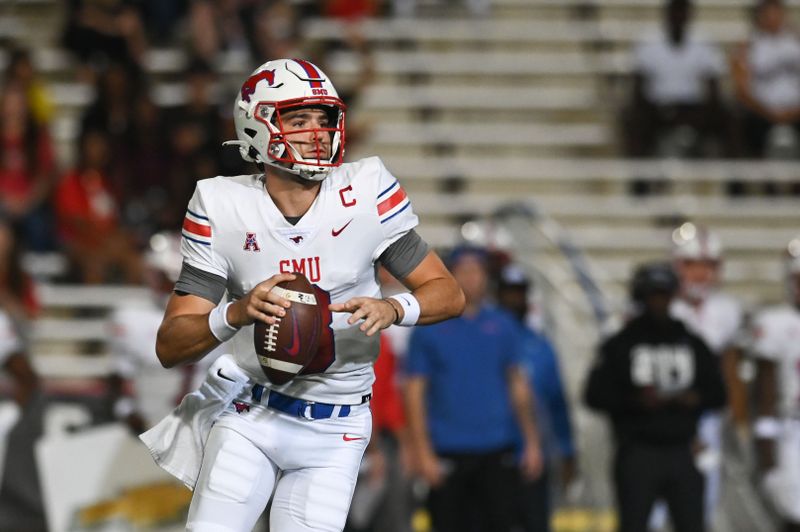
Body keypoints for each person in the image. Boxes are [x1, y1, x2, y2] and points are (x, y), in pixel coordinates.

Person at [140, 58, 464, 532]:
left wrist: (394, 307)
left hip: (337, 426)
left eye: (324, 119)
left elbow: (448, 293)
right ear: (257, 127)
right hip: (252, 411)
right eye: (298, 120)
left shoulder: (366, 190)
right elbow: (171, 344)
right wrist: (236, 312)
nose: (317, 132)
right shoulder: (222, 205)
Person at [404, 246, 542, 532]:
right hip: (448, 449)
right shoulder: (429, 326)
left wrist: (530, 440)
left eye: (477, 270)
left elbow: (518, 384)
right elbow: (414, 392)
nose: (471, 278)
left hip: (497, 447)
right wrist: (422, 450)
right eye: (463, 271)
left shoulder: (503, 325)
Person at [584, 261, 726, 532]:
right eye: (652, 295)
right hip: (638, 450)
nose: (658, 302)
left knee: (692, 523)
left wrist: (693, 399)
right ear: (641, 297)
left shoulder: (690, 341)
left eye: (663, 294)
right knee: (635, 523)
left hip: (682, 450)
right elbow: (594, 395)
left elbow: (718, 393)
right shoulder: (622, 343)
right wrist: (635, 401)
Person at [665, 223, 746, 529]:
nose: (699, 274)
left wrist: (739, 425)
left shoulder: (727, 311)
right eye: (691, 265)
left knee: (703, 506)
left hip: (708, 418)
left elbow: (730, 370)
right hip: (665, 419)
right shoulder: (664, 308)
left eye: (707, 265)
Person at [107, 232, 221, 434]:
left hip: (199, 423)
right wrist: (127, 412)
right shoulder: (131, 317)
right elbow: (121, 377)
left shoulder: (216, 316)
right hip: (148, 421)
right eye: (162, 278)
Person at [496, 263, 577, 532]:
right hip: (490, 453)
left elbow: (556, 402)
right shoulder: (483, 339)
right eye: (508, 292)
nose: (513, 299)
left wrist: (566, 450)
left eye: (519, 292)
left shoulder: (539, 346)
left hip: (532, 455)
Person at [622, 0, 730, 194]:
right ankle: (639, 183)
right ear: (666, 15)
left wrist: (695, 115)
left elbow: (714, 90)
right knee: (633, 118)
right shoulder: (648, 43)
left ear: (690, 16)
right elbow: (638, 89)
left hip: (695, 109)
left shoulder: (705, 42)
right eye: (675, 12)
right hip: (658, 109)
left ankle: (734, 185)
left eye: (683, 13)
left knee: (730, 117)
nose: (678, 18)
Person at [749, 237, 800, 531]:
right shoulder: (776, 322)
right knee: (793, 513)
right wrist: (765, 447)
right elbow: (765, 391)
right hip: (792, 427)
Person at [732, 0, 800, 160]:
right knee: (738, 121)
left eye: (776, 12)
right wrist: (770, 113)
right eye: (767, 13)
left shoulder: (796, 42)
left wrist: (792, 112)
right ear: (758, 17)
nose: (772, 17)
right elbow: (741, 89)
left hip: (797, 112)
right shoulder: (747, 46)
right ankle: (755, 181)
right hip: (761, 114)